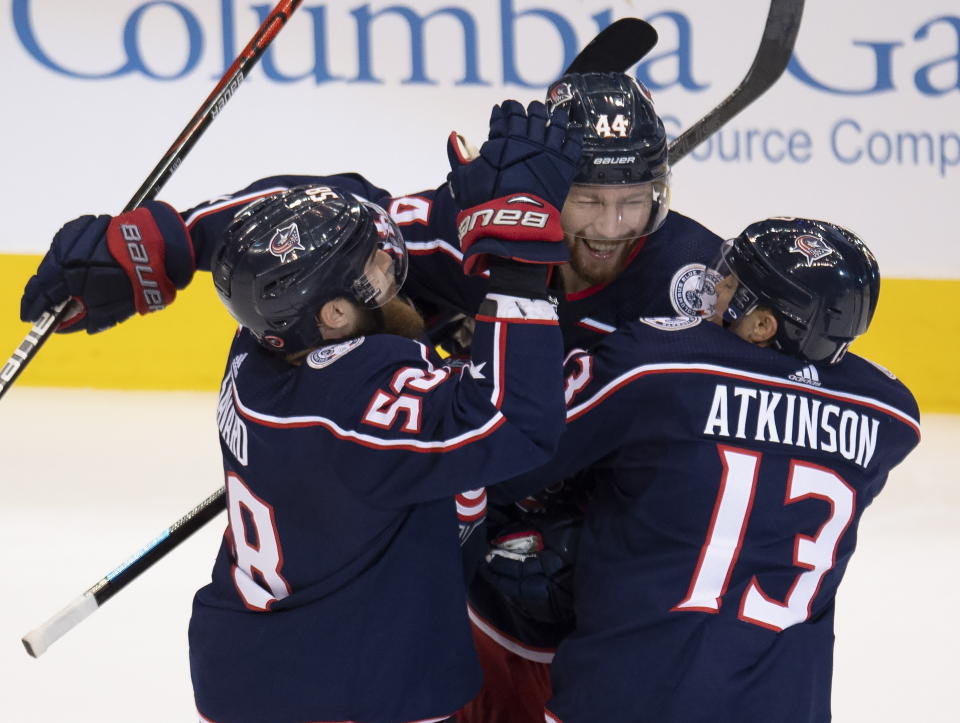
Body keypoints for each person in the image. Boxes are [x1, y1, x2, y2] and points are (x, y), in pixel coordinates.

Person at [19, 72, 723, 720]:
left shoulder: (694, 281)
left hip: (598, 569)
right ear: (547, 191)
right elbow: (341, 217)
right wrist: (162, 244)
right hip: (458, 579)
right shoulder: (468, 227)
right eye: (589, 200)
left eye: (632, 202)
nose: (609, 228)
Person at [489, 217, 920, 722]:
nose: (713, 289)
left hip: (629, 694)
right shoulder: (889, 417)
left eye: (732, 283)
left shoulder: (657, 366)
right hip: (784, 705)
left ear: (762, 325)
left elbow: (510, 455)